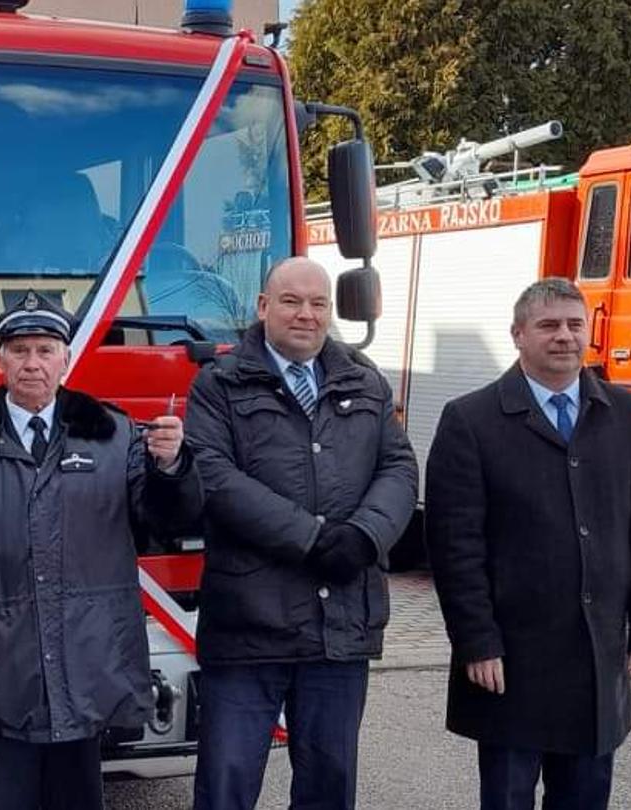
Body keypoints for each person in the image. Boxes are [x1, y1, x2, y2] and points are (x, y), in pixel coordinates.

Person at [0, 290, 202, 810]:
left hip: (88, 663)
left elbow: (164, 520)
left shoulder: (114, 436)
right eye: (19, 351)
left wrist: (172, 468)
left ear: (65, 359)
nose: (32, 364)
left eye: (45, 350)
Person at [424, 277, 631, 810]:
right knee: (509, 794)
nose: (563, 336)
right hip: (512, 661)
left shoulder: (629, 415)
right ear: (518, 335)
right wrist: (477, 642)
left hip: (595, 657)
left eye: (574, 324)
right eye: (547, 325)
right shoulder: (470, 420)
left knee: (585, 796)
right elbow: (455, 548)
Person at [184, 256, 417, 810]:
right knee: (226, 787)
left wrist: (364, 535)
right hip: (249, 627)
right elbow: (213, 477)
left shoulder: (366, 381)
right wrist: (312, 538)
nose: (306, 315)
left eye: (318, 304)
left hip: (339, 628)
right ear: (264, 307)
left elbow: (400, 468)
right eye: (291, 301)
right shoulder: (217, 385)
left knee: (329, 787)